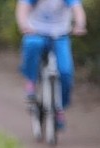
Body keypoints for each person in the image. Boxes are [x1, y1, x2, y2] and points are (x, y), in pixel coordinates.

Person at [17, 0, 87, 131]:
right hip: (36, 32)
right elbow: (23, 8)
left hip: (60, 35)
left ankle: (59, 108)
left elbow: (77, 9)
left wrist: (80, 25)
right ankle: (31, 82)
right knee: (31, 45)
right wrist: (24, 25)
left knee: (66, 72)